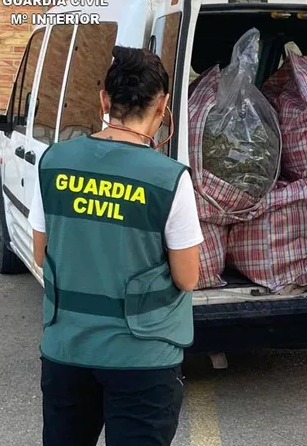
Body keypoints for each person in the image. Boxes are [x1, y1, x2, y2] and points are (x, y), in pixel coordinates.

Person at [30, 46, 204, 446]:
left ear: (105, 100)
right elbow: (188, 276)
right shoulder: (169, 178)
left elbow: (41, 253)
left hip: (67, 350)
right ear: (162, 107)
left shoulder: (55, 162)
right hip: (142, 359)